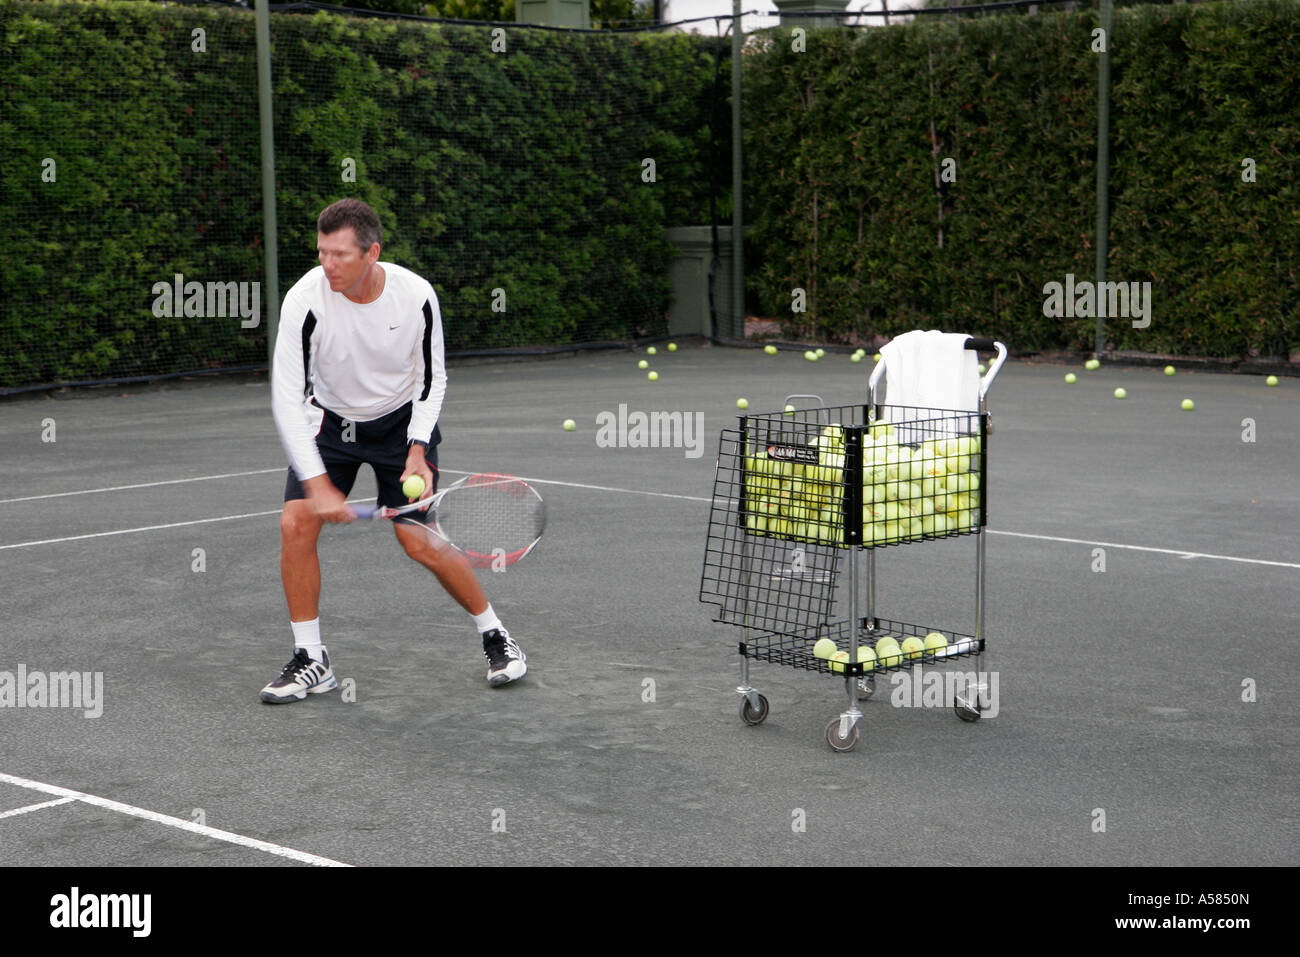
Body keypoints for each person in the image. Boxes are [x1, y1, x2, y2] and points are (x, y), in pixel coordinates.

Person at [261, 198, 525, 703]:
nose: (328, 265)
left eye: (340, 254)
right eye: (322, 252)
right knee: (296, 523)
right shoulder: (303, 300)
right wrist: (317, 485)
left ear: (372, 253)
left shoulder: (415, 296)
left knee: (419, 542)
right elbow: (286, 396)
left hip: (400, 426)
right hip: (331, 422)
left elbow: (432, 377)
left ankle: (496, 636)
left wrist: (418, 450)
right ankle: (312, 659)